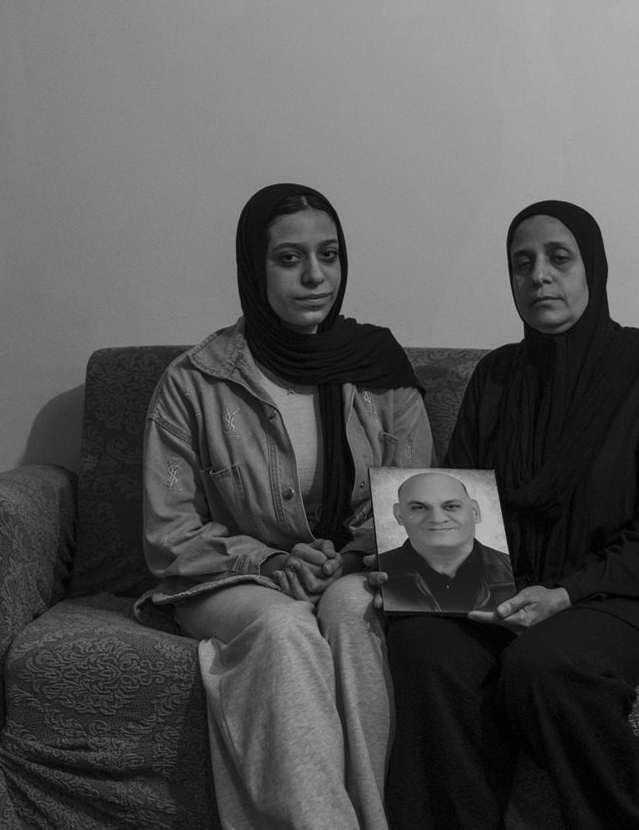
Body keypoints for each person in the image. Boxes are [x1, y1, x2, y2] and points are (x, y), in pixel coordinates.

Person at [383, 200, 639, 830]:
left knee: (545, 666)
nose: (539, 276)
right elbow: (458, 513)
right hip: (511, 595)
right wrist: (423, 573)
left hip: (630, 593)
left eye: (559, 258)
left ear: (594, 269)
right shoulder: (497, 377)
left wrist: (565, 594)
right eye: (521, 264)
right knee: (422, 642)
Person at [141, 183, 432, 830]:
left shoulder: (379, 368)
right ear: (254, 268)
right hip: (230, 578)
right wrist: (269, 563)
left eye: (328, 255)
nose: (315, 276)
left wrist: (348, 557)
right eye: (289, 259)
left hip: (352, 567)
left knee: (356, 617)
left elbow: (409, 503)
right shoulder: (197, 381)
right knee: (283, 628)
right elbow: (169, 533)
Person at [380, 470, 518, 614]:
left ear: (475, 512)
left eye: (451, 506)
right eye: (419, 507)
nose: (437, 518)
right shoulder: (380, 574)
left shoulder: (514, 569)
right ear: (399, 515)